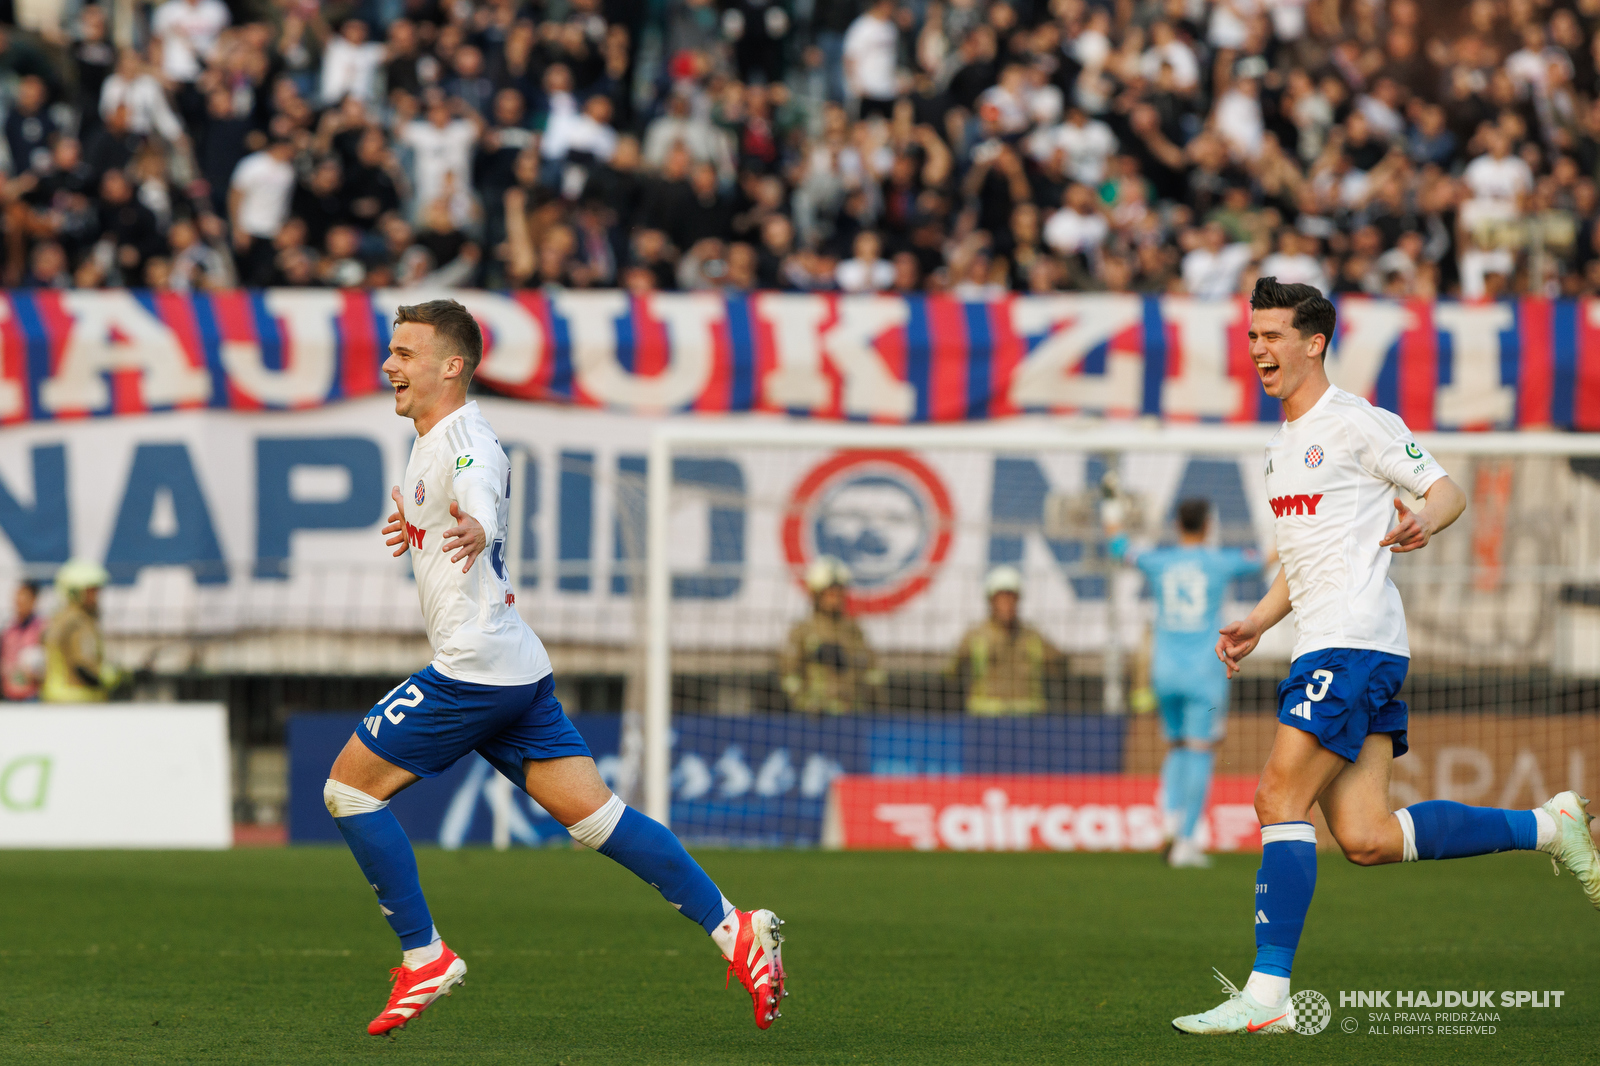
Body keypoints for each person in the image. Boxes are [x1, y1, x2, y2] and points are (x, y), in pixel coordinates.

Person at [324, 300, 786, 1037]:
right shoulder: (430, 437)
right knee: (600, 820)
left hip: (473, 667)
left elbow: (480, 480)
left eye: (406, 353)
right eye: (391, 351)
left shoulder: (467, 435)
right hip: (514, 664)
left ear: (452, 365)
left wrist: (479, 520)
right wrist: (419, 526)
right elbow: (455, 494)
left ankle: (425, 956)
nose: (389, 365)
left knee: (348, 790)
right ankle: (736, 929)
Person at [1172, 278, 1600, 1035]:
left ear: (1314, 342)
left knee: (1277, 798)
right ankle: (1549, 823)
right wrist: (1260, 622)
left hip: (1353, 642)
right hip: (1334, 640)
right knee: (1367, 837)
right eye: (1252, 336)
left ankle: (1267, 997)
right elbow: (1304, 557)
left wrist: (1425, 522)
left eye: (1272, 336)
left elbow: (1446, 491)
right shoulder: (1281, 450)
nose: (1258, 350)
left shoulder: (1358, 423)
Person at [1132, 500, 1263, 868]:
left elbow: (1117, 549)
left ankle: (1170, 820)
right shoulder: (1219, 561)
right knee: (1200, 752)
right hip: (1204, 674)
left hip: (1165, 672)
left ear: (1177, 524)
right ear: (1208, 525)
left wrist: (1112, 516)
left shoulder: (1158, 561)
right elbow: (1267, 558)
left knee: (1176, 747)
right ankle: (1186, 842)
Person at [950, 565, 1062, 715]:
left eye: (1011, 598)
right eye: (1001, 598)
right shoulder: (975, 636)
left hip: (1029, 721)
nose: (1007, 605)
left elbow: (1060, 668)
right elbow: (951, 674)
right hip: (986, 720)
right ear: (991, 601)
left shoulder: (1032, 637)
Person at [780, 556, 880, 713]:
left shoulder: (853, 630)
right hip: (815, 717)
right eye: (830, 594)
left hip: (852, 714)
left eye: (839, 593)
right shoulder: (803, 631)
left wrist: (866, 699)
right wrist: (806, 704)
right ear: (817, 595)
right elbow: (789, 674)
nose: (835, 599)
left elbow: (873, 670)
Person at [41, 560, 114, 703]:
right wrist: (115, 677)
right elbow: (83, 667)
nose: (96, 597)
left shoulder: (59, 618)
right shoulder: (78, 622)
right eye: (91, 591)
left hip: (57, 698)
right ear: (75, 592)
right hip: (77, 701)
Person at [2, 581, 46, 700]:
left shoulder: (42, 628)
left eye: (24, 599)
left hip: (32, 696)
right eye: (17, 599)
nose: (19, 603)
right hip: (8, 694)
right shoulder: (8, 629)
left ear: (33, 600)